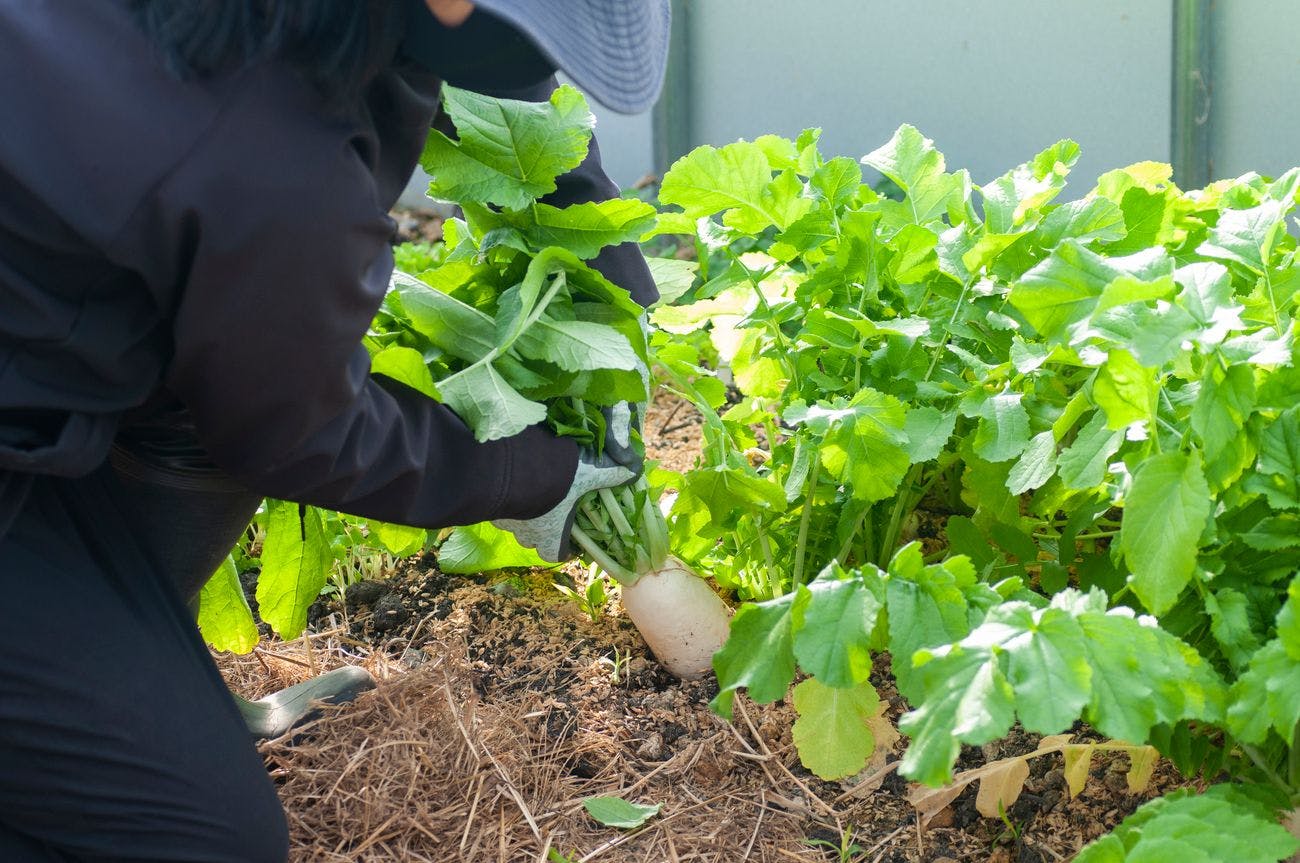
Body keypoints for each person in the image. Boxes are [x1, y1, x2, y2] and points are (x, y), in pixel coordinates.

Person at [0, 0, 669, 859]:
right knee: (207, 840)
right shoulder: (267, 146)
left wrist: (600, 240)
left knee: (212, 353)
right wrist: (527, 473)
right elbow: (297, 427)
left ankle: (149, 677)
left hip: (36, 349)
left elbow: (498, 67)